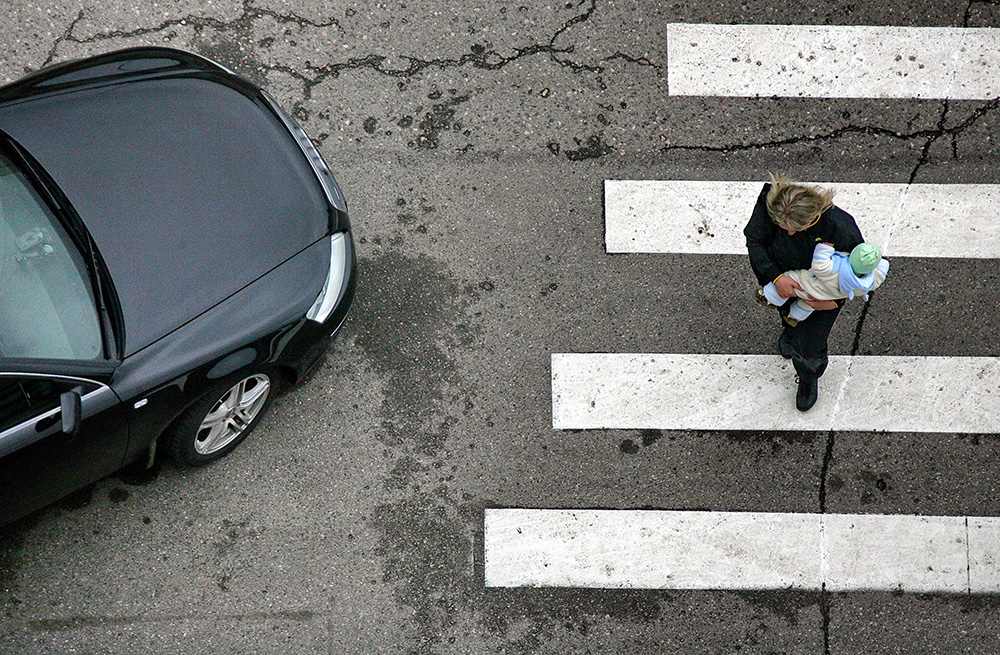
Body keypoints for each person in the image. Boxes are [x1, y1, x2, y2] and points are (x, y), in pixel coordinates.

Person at [744, 175, 864, 411]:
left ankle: (808, 377)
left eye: (793, 230)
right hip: (783, 282)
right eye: (782, 228)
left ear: (810, 221)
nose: (787, 234)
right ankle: (790, 328)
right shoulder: (771, 206)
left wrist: (831, 303)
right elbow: (755, 240)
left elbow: (859, 275)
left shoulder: (841, 228)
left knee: (810, 344)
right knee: (787, 314)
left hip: (821, 295)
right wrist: (777, 278)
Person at [755, 241, 890, 326]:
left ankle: (770, 297)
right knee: (807, 306)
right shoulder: (867, 284)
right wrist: (879, 263)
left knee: (790, 278)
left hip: (806, 286)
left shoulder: (834, 269)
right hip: (822, 298)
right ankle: (794, 316)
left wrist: (824, 248)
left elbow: (819, 265)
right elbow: (881, 272)